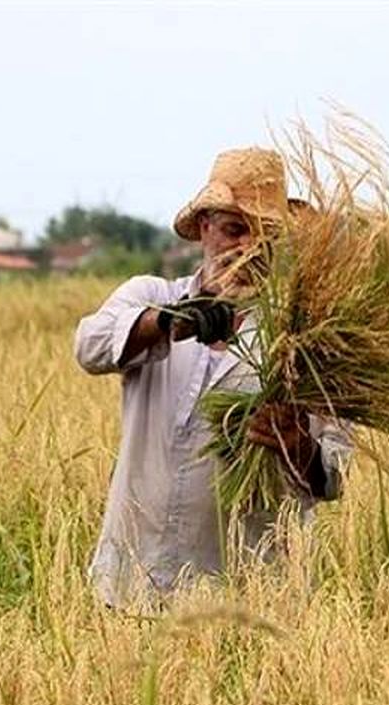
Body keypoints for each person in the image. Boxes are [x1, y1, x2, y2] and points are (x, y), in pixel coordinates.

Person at [74, 147, 352, 608]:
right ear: (205, 227)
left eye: (265, 236)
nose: (246, 248)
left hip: (244, 600)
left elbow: (333, 476)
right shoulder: (153, 297)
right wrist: (171, 322)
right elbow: (89, 344)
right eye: (234, 229)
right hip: (129, 585)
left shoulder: (306, 339)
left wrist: (296, 445)